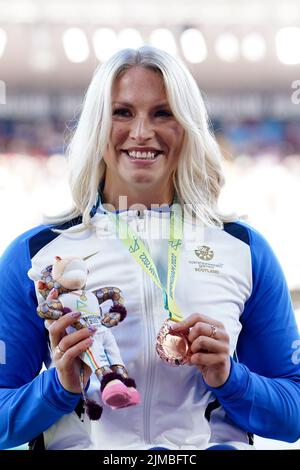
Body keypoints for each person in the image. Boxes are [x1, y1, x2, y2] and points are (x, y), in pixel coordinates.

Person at [0, 46, 299, 451]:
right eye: (122, 112)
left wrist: (231, 378)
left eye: (163, 113)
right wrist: (58, 386)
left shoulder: (244, 249)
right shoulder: (34, 255)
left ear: (188, 126)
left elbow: (292, 415)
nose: (141, 132)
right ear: (97, 125)